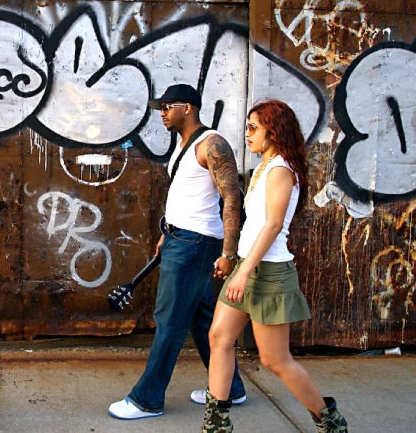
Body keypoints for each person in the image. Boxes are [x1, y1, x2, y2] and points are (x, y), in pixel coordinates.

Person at [201, 100, 347, 433]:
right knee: (219, 338)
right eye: (247, 127)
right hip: (247, 266)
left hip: (267, 273)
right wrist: (234, 259)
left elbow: (273, 225)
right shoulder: (265, 167)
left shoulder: (281, 169)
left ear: (273, 130)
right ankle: (217, 426)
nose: (247, 133)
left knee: (274, 360)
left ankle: (330, 421)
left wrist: (244, 270)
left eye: (253, 127)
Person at [109, 84, 247, 420]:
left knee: (169, 321)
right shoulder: (183, 144)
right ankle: (230, 388)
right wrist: (167, 233)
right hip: (179, 239)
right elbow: (188, 194)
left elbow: (232, 197)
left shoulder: (211, 144)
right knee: (201, 319)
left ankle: (147, 400)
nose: (162, 114)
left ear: (188, 107)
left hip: (196, 244)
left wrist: (229, 252)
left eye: (167, 107)